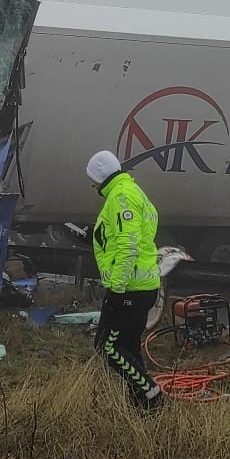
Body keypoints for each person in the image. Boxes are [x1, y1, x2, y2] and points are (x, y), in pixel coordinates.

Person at [86, 150, 165, 410]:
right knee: (128, 346)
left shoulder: (121, 197)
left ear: (101, 176)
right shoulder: (132, 191)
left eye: (93, 179)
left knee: (108, 348)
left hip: (129, 289)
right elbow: (132, 236)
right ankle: (143, 405)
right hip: (142, 287)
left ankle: (151, 393)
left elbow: (129, 245)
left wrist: (117, 290)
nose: (92, 185)